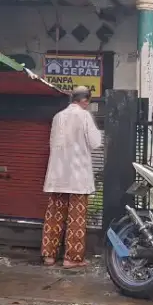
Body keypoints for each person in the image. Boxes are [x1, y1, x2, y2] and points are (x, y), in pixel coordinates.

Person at [41, 86, 103, 268]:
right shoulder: (84, 116)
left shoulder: (58, 117)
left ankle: (49, 256)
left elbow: (52, 142)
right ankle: (72, 258)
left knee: (54, 216)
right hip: (77, 176)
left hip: (57, 175)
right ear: (85, 100)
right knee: (76, 218)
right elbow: (96, 142)